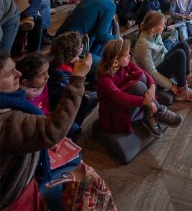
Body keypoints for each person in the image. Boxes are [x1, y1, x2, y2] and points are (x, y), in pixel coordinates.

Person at [0, 51, 117, 211]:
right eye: (9, 73)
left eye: (15, 68)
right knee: (85, 174)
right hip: (15, 193)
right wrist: (78, 78)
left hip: (25, 171)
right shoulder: (7, 121)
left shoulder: (13, 101)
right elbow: (53, 129)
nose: (18, 74)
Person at [97, 38, 182, 138]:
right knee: (137, 86)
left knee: (141, 77)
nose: (129, 56)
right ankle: (159, 112)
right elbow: (120, 97)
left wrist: (152, 87)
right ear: (116, 61)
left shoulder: (124, 65)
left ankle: (150, 114)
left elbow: (144, 73)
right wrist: (145, 102)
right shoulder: (105, 80)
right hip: (115, 113)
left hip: (127, 104)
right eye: (126, 54)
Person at [134, 11, 192, 102]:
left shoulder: (155, 34)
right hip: (153, 75)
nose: (164, 26)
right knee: (179, 54)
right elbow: (151, 72)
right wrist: (170, 84)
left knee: (183, 44)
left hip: (160, 62)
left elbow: (163, 50)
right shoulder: (143, 44)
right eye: (162, 25)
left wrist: (172, 59)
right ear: (153, 29)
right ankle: (181, 91)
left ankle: (187, 77)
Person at [55, 0, 119, 64]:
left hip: (59, 38)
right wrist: (117, 38)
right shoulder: (110, 5)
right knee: (105, 65)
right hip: (72, 48)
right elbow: (102, 36)